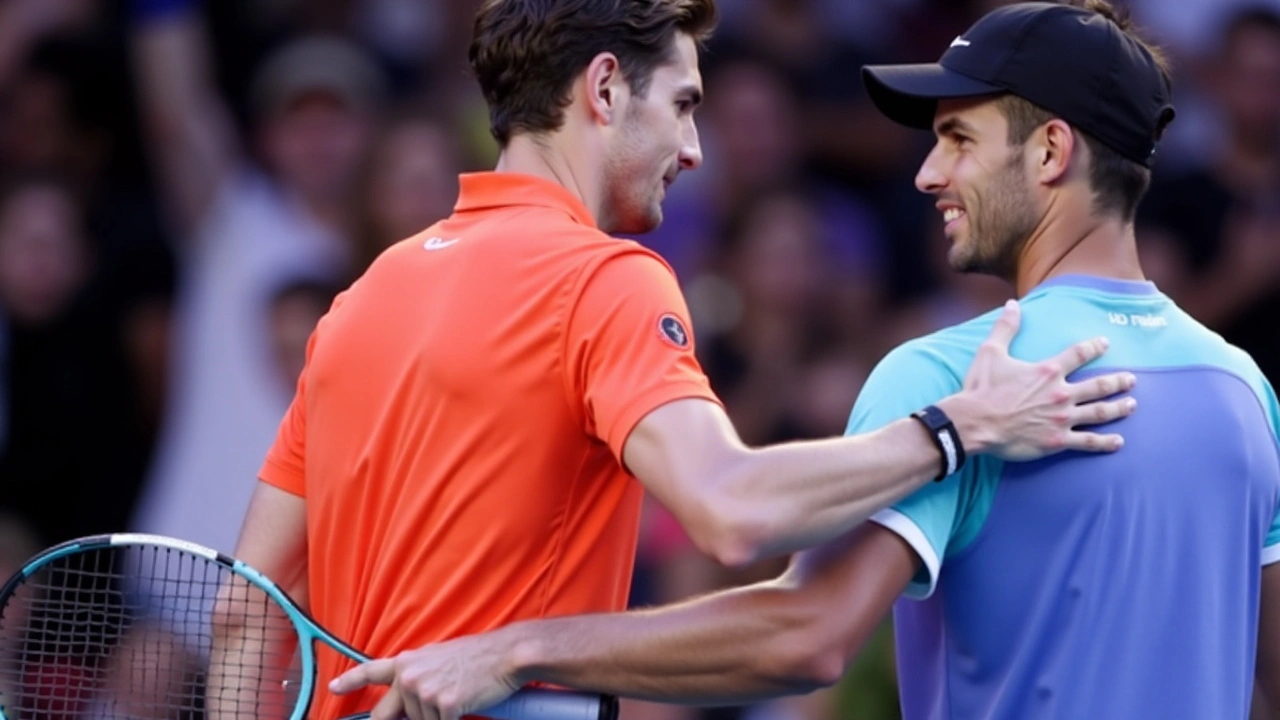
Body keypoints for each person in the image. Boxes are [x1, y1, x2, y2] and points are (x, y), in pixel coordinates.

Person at [332, 1, 1280, 718]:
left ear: (1050, 153)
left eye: (956, 138)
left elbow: (807, 634)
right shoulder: (1246, 390)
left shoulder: (954, 378)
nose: (925, 173)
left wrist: (512, 648)